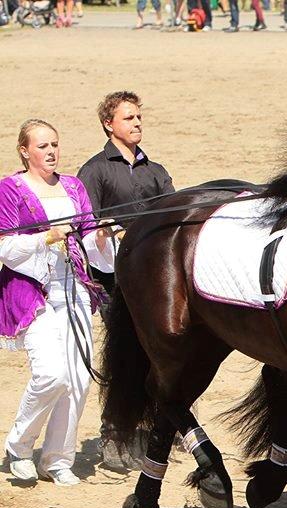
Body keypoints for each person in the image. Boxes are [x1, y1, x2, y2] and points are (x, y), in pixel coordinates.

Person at [1, 119, 118, 487]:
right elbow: (5, 247)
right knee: (52, 373)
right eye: (42, 146)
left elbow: (87, 238)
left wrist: (100, 236)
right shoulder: (10, 189)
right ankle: (19, 447)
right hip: (31, 291)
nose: (51, 152)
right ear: (24, 150)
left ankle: (57, 457)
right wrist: (45, 238)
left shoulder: (72, 185)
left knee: (79, 377)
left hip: (75, 288)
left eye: (54, 144)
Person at [78, 91, 174, 471]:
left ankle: (151, 429)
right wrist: (105, 231)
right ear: (109, 124)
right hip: (111, 280)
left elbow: (171, 218)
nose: (136, 123)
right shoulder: (96, 170)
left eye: (138, 117)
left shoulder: (156, 171)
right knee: (124, 353)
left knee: (158, 354)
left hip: (154, 279)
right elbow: (85, 225)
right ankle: (115, 434)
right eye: (128, 118)